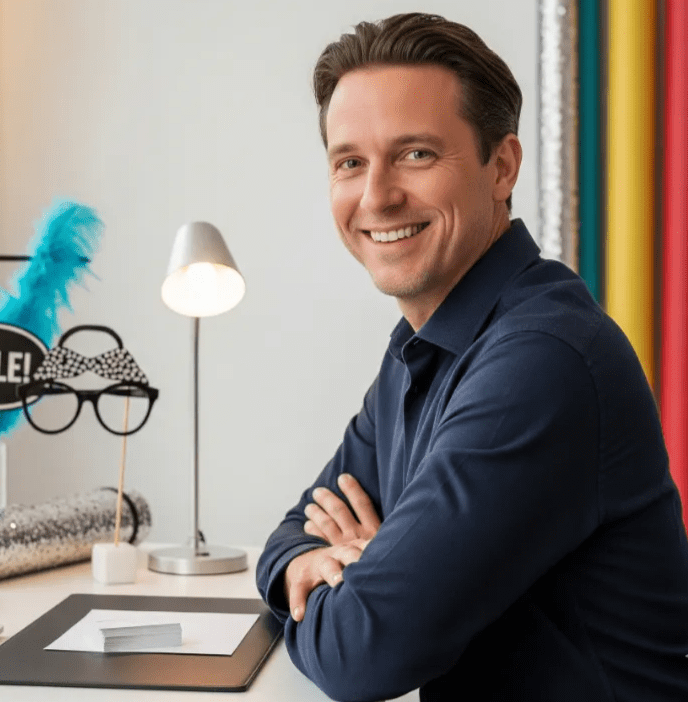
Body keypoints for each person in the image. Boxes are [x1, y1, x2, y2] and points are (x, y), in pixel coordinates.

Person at [256, 12, 688, 702]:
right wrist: (299, 570)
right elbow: (296, 529)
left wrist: (361, 585)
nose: (376, 196)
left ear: (502, 166)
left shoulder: (541, 363)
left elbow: (362, 656)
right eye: (349, 163)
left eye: (416, 154)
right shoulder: (420, 350)